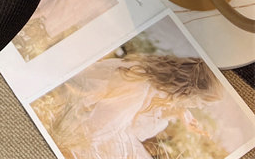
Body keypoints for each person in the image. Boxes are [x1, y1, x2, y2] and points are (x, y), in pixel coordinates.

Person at [40, 53, 223, 159]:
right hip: (80, 122)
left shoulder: (159, 91)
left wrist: (177, 112)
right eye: (201, 102)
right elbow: (96, 130)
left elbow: (132, 130)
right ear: (189, 91)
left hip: (98, 127)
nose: (198, 107)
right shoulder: (138, 87)